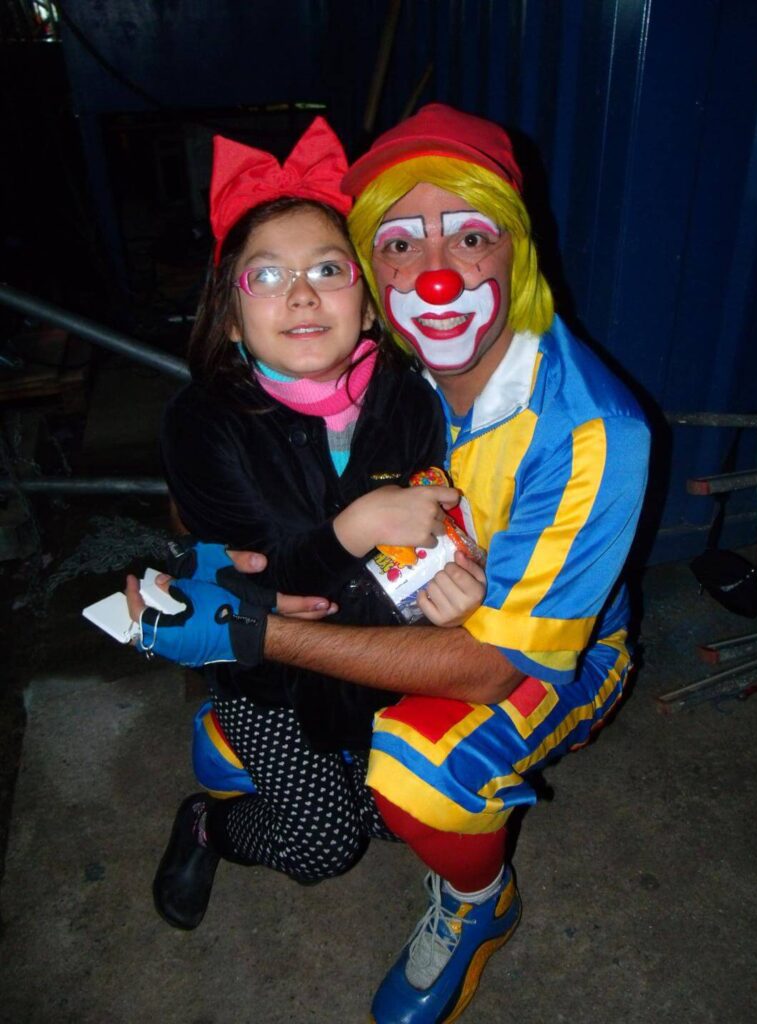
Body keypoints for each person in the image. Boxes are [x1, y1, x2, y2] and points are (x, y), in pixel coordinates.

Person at [133, 105, 650, 1024]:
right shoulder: (401, 366)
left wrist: (429, 578)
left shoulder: (549, 423)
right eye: (402, 244)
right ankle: (220, 801)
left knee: (411, 785)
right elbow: (220, 521)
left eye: (472, 237)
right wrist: (205, 567)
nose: (436, 272)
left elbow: (489, 660)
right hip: (286, 672)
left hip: (518, 647)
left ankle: (477, 905)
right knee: (327, 838)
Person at [130, 116, 488, 936]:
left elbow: (432, 524)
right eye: (267, 276)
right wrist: (357, 527)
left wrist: (453, 576)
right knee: (322, 845)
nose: (301, 294)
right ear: (229, 316)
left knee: (401, 815)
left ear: (367, 304)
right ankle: (211, 821)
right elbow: (262, 581)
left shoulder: (411, 397)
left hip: (378, 658)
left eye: (328, 269)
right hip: (269, 676)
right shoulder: (200, 422)